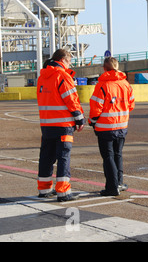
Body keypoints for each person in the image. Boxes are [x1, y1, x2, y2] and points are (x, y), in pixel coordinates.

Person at [37, 49, 85, 202]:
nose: (70, 64)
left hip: (46, 124)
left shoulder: (42, 77)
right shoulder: (62, 76)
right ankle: (63, 192)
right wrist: (79, 118)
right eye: (69, 60)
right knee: (63, 157)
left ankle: (44, 189)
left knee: (46, 157)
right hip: (63, 124)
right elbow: (71, 99)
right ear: (63, 59)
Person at [89, 57, 135, 196]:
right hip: (122, 126)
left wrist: (92, 121)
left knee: (108, 156)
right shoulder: (125, 84)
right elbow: (131, 104)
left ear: (104, 68)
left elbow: (96, 107)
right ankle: (119, 183)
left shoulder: (102, 85)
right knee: (118, 154)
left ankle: (112, 187)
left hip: (105, 127)